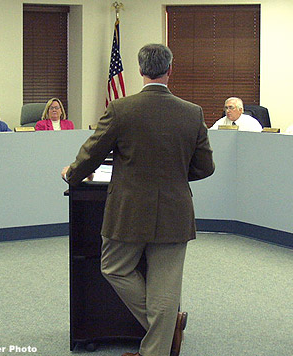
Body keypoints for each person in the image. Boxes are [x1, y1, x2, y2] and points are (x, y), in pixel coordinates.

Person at [61, 44, 215, 356]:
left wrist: (71, 174)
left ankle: (163, 334)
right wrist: (173, 178)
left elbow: (92, 153)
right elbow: (205, 167)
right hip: (175, 211)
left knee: (114, 268)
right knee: (165, 289)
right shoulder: (192, 113)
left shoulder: (122, 109)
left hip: (128, 212)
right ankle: (161, 339)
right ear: (170, 71)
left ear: (141, 70)